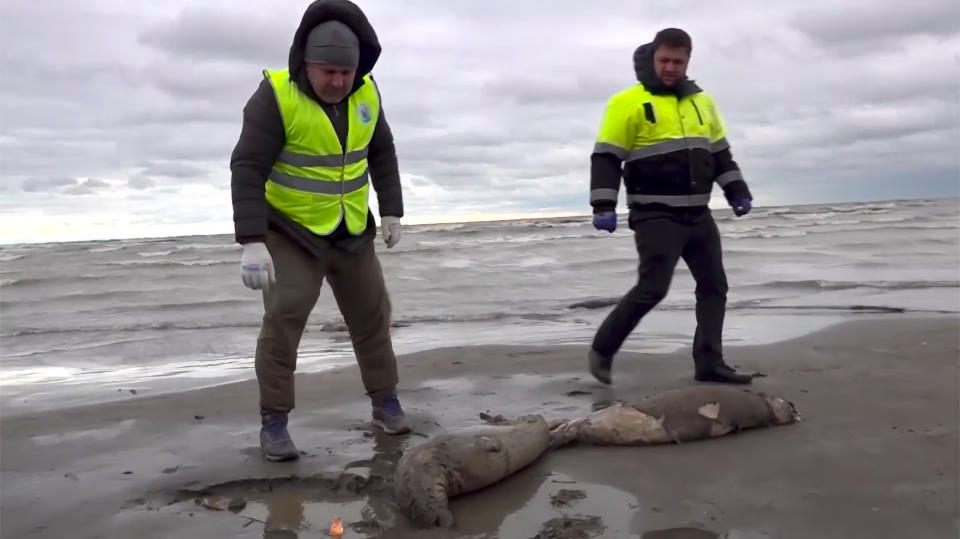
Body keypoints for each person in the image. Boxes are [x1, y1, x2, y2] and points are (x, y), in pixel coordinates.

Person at [229, 0, 410, 462]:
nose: (338, 81)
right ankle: (274, 422)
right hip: (291, 234)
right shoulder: (275, 97)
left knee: (372, 316)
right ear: (306, 64)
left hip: (350, 231)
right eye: (328, 71)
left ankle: (385, 401)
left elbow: (382, 153)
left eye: (346, 72)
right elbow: (247, 168)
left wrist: (392, 211)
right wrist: (252, 240)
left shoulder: (368, 95)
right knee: (284, 319)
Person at [587, 28, 755, 386]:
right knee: (653, 287)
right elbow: (606, 157)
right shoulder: (626, 102)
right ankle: (602, 349)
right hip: (655, 213)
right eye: (664, 60)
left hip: (698, 214)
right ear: (653, 58)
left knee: (714, 286)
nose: (670, 67)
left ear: (688, 61)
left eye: (678, 61)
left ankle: (710, 362)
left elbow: (720, 153)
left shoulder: (702, 102)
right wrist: (603, 203)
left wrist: (736, 190)